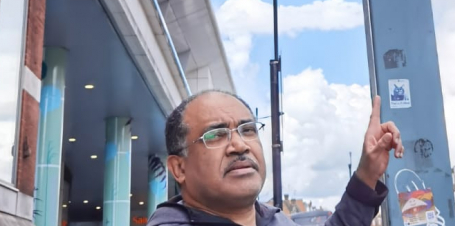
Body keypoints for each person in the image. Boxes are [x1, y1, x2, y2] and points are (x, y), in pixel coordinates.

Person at [148, 90, 404, 226]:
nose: (239, 145)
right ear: (179, 168)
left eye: (247, 130)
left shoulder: (273, 219)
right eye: (216, 135)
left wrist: (367, 173)